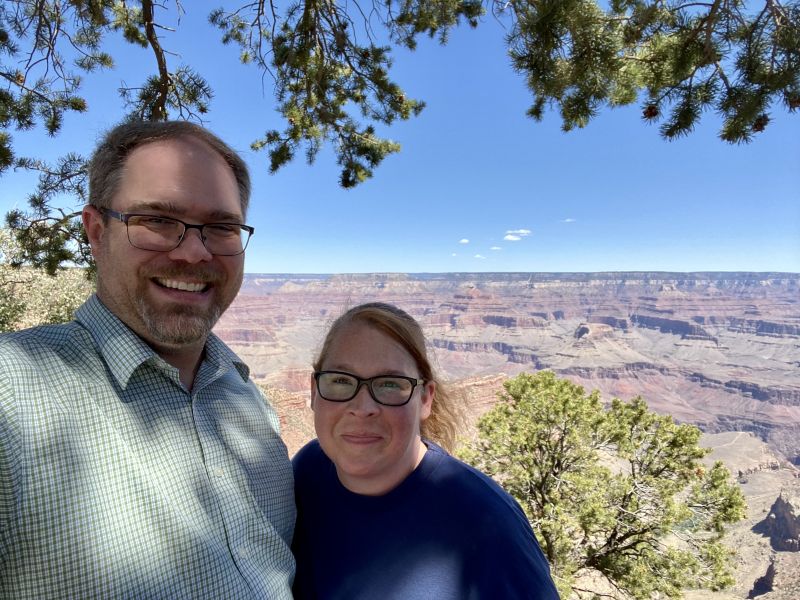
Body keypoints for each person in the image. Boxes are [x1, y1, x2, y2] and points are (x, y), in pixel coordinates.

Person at [0, 121, 295, 598]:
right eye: (158, 221)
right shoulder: (11, 399)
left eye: (221, 227)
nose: (194, 252)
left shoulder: (247, 401)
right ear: (96, 233)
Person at [292, 302, 559, 599]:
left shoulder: (487, 524)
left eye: (390, 384)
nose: (363, 408)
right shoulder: (308, 470)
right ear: (314, 392)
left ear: (425, 399)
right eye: (341, 380)